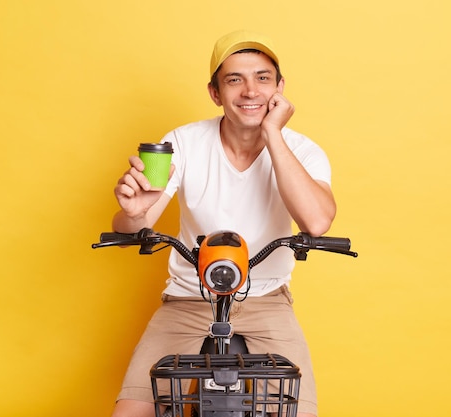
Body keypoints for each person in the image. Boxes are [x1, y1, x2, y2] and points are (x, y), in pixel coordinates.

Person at [110, 30, 336, 417]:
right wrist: (133, 214)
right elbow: (130, 226)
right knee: (131, 412)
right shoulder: (183, 143)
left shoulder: (302, 150)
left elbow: (316, 222)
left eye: (263, 78)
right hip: (187, 300)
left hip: (268, 301)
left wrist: (272, 134)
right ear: (215, 92)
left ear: (280, 87)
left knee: (296, 412)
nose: (250, 90)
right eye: (235, 79)